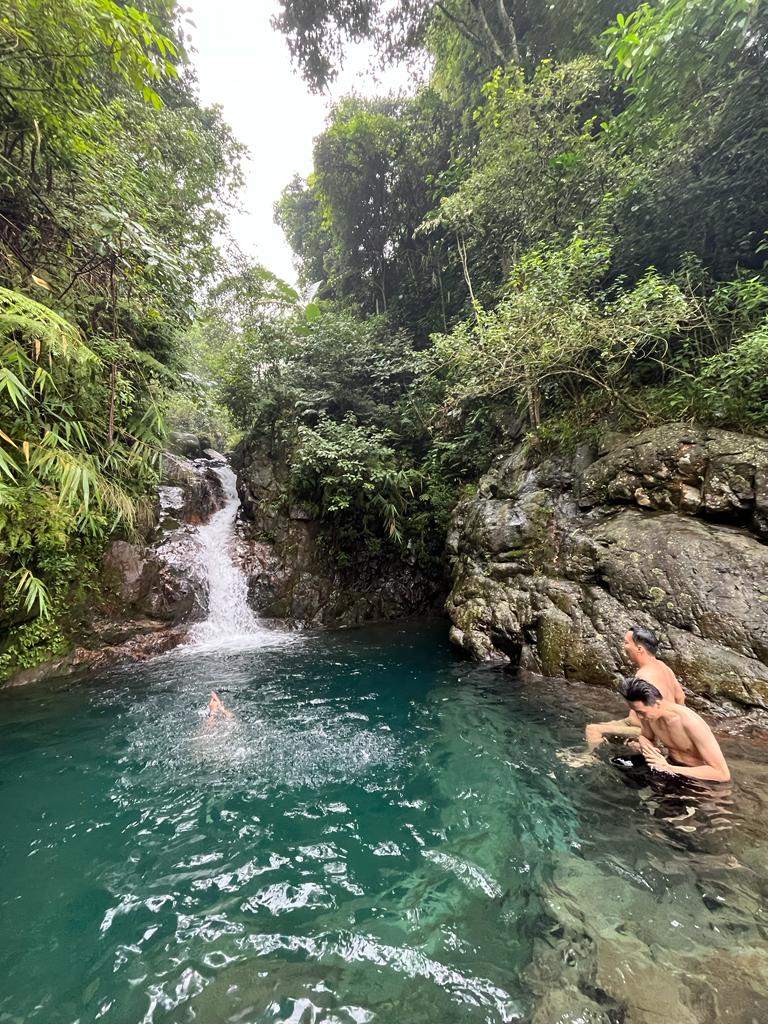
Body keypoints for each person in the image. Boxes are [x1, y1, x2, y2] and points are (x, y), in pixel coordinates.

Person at [584, 625, 685, 753]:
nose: (624, 646)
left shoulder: (644, 677)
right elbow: (680, 696)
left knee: (593, 729)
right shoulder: (663, 666)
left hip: (644, 729)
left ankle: (588, 759)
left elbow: (654, 715)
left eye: (626, 643)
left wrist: (652, 740)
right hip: (636, 723)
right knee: (608, 726)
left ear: (639, 649)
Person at [619, 676, 731, 782]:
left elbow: (722, 774)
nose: (639, 717)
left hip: (696, 778)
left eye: (641, 713)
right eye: (637, 712)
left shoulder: (691, 723)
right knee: (620, 763)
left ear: (657, 704)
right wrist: (649, 749)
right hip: (668, 764)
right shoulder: (649, 716)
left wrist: (669, 768)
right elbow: (644, 736)